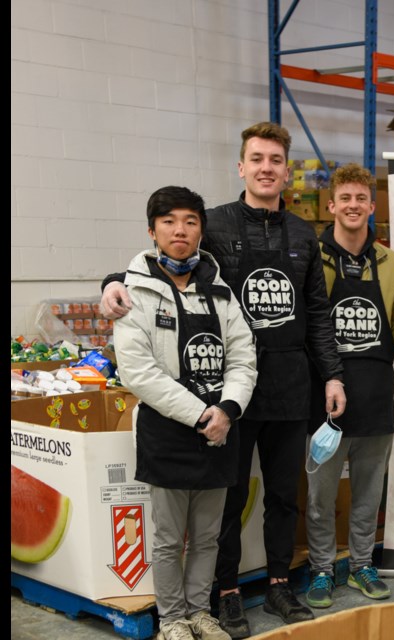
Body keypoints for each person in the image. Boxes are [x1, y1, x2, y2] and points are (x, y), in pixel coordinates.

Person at [101, 122, 346, 639]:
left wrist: (333, 375)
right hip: (221, 392)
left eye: (275, 160)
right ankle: (226, 593)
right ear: (241, 167)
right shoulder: (210, 222)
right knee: (227, 501)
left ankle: (280, 582)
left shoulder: (305, 234)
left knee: (283, 494)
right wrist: (111, 283)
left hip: (284, 385)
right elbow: (161, 262)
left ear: (286, 171)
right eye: (256, 158)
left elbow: (319, 314)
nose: (265, 168)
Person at [113, 186, 258, 640]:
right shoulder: (133, 293)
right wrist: (201, 415)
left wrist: (228, 409)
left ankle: (200, 612)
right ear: (152, 230)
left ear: (200, 230)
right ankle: (172, 619)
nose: (181, 230)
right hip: (169, 431)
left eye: (191, 221)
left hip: (219, 429)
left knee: (209, 536)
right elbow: (139, 372)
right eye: (170, 221)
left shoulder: (219, 290)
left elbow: (243, 356)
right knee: (168, 539)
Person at [303, 163, 394, 609]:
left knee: (368, 495)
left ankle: (360, 565)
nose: (353, 206)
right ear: (331, 205)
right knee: (320, 497)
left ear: (373, 207)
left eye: (361, 199)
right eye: (345, 199)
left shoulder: (393, 265)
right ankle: (319, 569)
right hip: (325, 404)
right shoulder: (312, 259)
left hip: (375, 398)